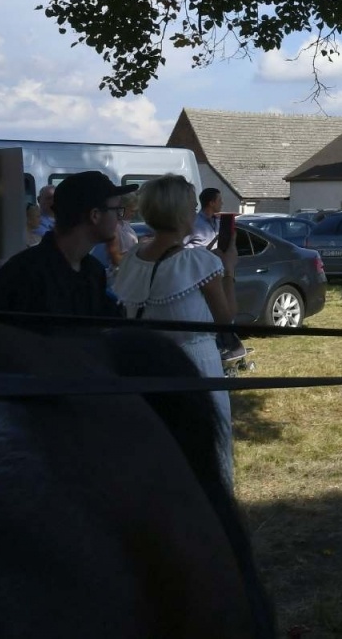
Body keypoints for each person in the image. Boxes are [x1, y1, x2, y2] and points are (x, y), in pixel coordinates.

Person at [113, 173, 238, 483]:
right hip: (195, 364)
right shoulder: (197, 261)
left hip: (146, 367)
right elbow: (226, 319)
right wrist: (230, 270)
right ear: (182, 213)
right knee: (206, 452)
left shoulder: (131, 260)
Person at [0, 170, 130, 318]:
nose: (119, 218)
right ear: (95, 215)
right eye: (117, 210)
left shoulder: (94, 272)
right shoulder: (19, 278)